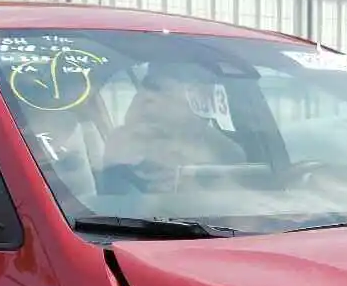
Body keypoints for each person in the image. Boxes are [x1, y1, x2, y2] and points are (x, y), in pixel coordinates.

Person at [100, 61, 244, 193]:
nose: (146, 98)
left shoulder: (224, 152)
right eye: (146, 88)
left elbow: (238, 207)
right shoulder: (119, 143)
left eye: (162, 91)